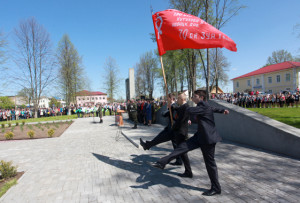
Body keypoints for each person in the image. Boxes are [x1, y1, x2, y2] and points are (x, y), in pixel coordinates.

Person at [151, 90, 229, 196]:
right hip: (200, 136)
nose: (193, 98)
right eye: (192, 96)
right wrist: (222, 110)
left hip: (208, 139)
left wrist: (175, 104)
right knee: (182, 147)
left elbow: (189, 109)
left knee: (210, 163)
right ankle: (163, 162)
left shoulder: (202, 107)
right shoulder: (205, 106)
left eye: (195, 96)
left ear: (201, 98)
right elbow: (213, 108)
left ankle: (216, 188)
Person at [140, 92, 193, 178]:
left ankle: (164, 161)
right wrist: (170, 109)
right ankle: (148, 146)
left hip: (177, 131)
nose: (176, 100)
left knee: (181, 151)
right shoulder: (178, 106)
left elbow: (180, 119)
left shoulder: (182, 107)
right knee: (177, 148)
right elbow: (169, 113)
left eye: (178, 98)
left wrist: (174, 122)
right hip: (174, 130)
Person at [140, 93, 182, 166]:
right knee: (176, 145)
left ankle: (147, 146)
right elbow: (164, 114)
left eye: (167, 98)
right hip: (171, 128)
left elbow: (173, 114)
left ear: (171, 99)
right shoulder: (171, 106)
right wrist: (169, 109)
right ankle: (179, 160)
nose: (166, 99)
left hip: (172, 130)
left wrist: (171, 108)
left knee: (159, 139)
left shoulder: (175, 106)